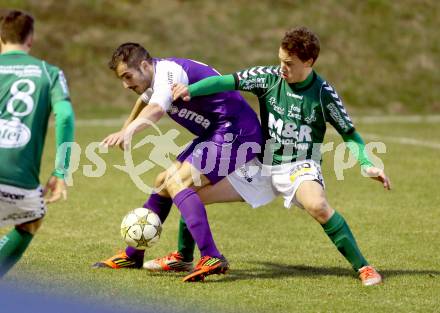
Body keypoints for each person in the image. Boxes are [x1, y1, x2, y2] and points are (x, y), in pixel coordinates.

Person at [170, 26, 391, 286]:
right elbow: (226, 81)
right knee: (190, 194)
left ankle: (364, 267)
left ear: (309, 61)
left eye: (289, 63)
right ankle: (183, 256)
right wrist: (191, 89)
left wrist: (367, 164)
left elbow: (350, 134)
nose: (282, 67)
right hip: (261, 164)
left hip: (300, 165)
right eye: (280, 60)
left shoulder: (323, 94)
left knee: (318, 206)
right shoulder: (268, 77)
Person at [93, 43, 263, 282]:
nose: (125, 84)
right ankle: (134, 254)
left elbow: (155, 109)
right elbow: (145, 99)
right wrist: (126, 127)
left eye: (127, 76)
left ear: (144, 66)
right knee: (162, 182)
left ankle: (211, 256)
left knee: (179, 182)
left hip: (237, 131)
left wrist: (130, 131)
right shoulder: (152, 78)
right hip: (217, 131)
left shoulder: (167, 74)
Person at [0, 10, 75, 277]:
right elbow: (65, 116)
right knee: (31, 219)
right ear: (31, 39)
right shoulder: (49, 72)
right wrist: (61, 171)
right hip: (17, 178)